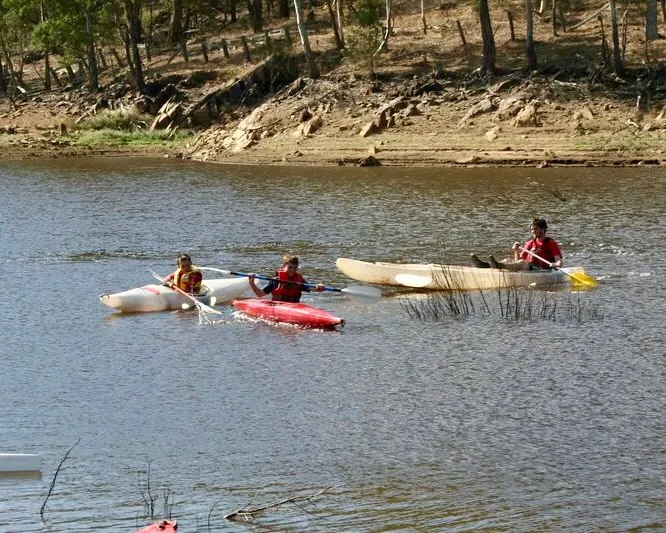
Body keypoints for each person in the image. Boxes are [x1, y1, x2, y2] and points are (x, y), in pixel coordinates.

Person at [471, 217, 563, 271]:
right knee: (507, 260)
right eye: (532, 229)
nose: (533, 231)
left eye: (536, 229)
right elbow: (517, 260)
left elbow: (559, 261)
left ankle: (498, 266)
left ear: (543, 229)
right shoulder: (530, 243)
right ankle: (486, 265)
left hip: (541, 269)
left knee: (522, 263)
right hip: (528, 267)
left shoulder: (551, 243)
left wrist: (556, 265)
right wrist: (516, 251)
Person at [248, 255, 325, 303]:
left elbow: (311, 287)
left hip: (294, 307)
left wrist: (319, 287)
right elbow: (260, 294)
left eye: (295, 268)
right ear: (283, 266)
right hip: (278, 306)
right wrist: (251, 282)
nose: (292, 270)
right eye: (290, 267)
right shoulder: (276, 281)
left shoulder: (299, 280)